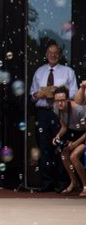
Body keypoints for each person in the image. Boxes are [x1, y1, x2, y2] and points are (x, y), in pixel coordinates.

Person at [30, 42, 78, 192]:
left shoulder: (68, 72)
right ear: (46, 55)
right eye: (50, 52)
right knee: (44, 147)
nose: (53, 55)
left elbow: (75, 95)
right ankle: (47, 183)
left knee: (60, 146)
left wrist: (61, 93)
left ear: (60, 55)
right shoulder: (39, 71)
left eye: (56, 52)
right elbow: (32, 95)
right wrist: (37, 94)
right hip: (43, 112)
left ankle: (62, 182)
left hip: (60, 112)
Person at [52, 86, 86, 196]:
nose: (60, 103)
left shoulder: (79, 110)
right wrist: (57, 136)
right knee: (64, 154)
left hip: (84, 134)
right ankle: (74, 182)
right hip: (75, 133)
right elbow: (64, 127)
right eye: (57, 100)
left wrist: (75, 143)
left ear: (67, 99)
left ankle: (85, 186)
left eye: (62, 100)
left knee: (74, 156)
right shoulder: (56, 108)